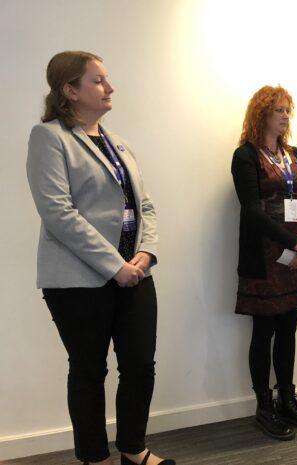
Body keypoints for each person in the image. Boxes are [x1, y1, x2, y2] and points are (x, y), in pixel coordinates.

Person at [26, 51, 174, 465]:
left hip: (137, 274)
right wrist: (115, 266)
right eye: (98, 81)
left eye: (107, 80)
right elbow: (58, 213)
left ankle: (133, 448)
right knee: (90, 370)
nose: (109, 88)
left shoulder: (118, 143)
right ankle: (95, 457)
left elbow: (144, 206)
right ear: (70, 90)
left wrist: (146, 253)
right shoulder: (49, 137)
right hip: (78, 280)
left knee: (140, 366)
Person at [231, 85, 297, 440]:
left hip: (296, 258)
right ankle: (264, 407)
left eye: (288, 110)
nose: (285, 116)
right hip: (265, 258)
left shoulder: (294, 154)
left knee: (288, 330)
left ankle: (287, 398)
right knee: (264, 332)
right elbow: (252, 211)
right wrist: (295, 243)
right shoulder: (245, 156)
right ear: (262, 114)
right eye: (279, 110)